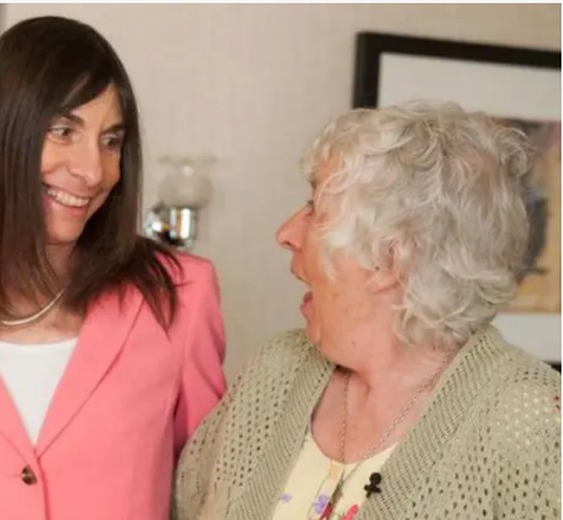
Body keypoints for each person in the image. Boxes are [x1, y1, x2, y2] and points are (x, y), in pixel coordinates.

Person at [0, 16, 227, 520]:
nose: (93, 171)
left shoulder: (179, 296)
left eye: (111, 141)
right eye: (63, 131)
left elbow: (212, 497)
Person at [172, 101, 561, 520]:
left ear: (390, 259)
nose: (286, 233)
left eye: (315, 209)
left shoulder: (530, 421)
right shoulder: (273, 373)